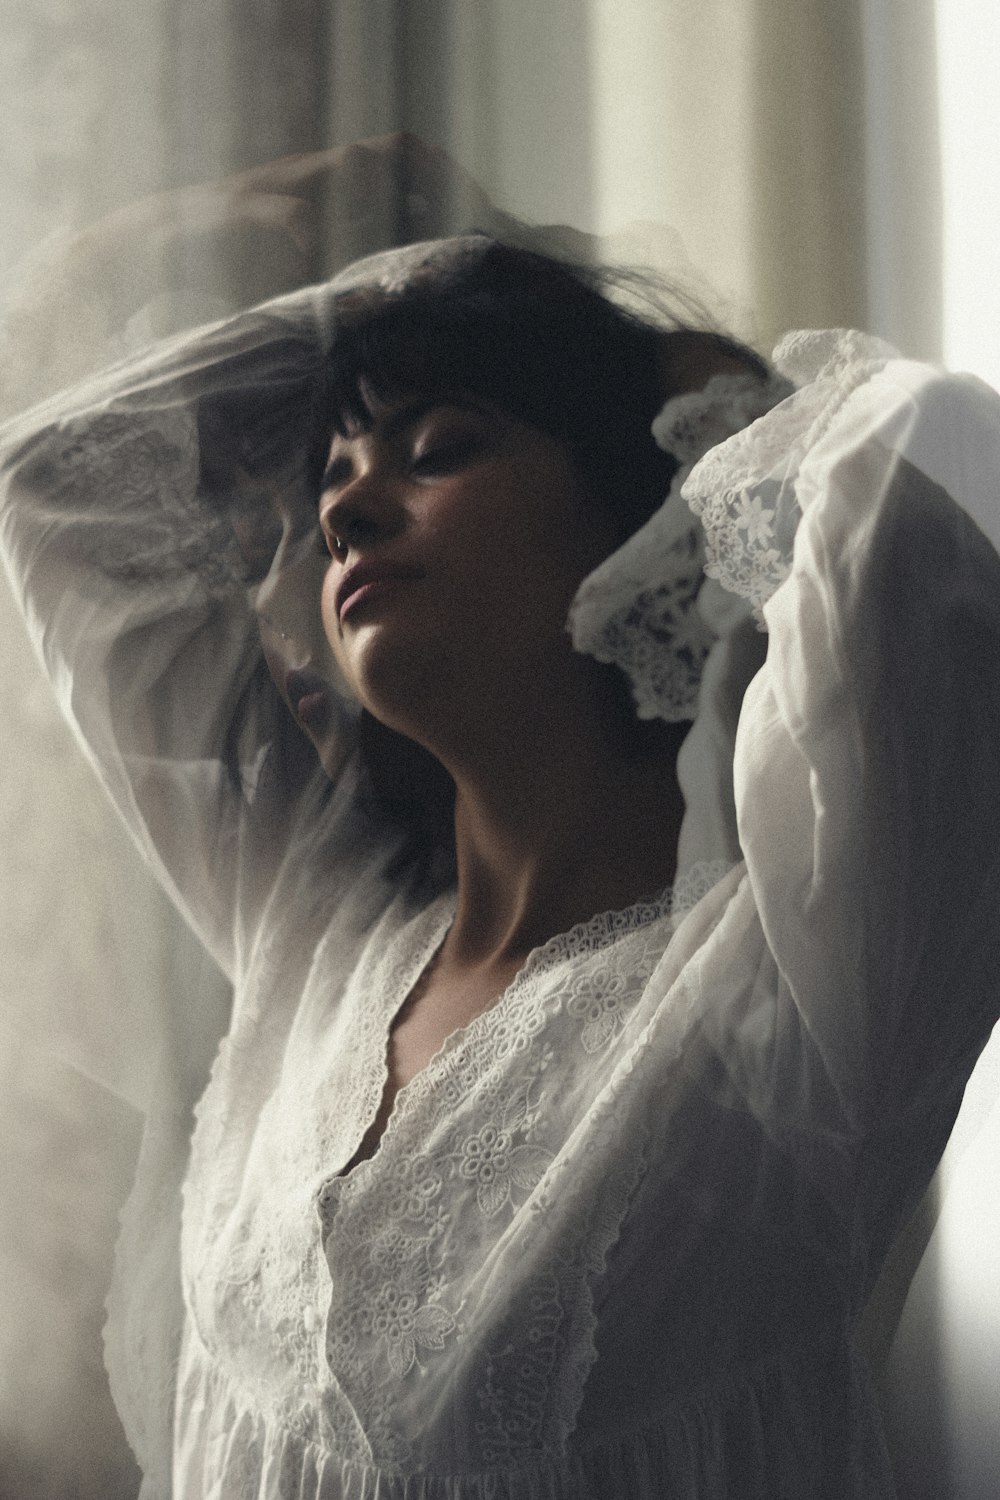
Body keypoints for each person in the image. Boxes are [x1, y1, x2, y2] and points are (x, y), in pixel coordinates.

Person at [2, 153, 1000, 1500]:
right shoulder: (310, 928)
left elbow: (911, 499)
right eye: (333, 477)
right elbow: (56, 494)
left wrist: (625, 366)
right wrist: (264, 269)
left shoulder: (790, 992)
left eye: (438, 450)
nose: (347, 508)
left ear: (642, 515)